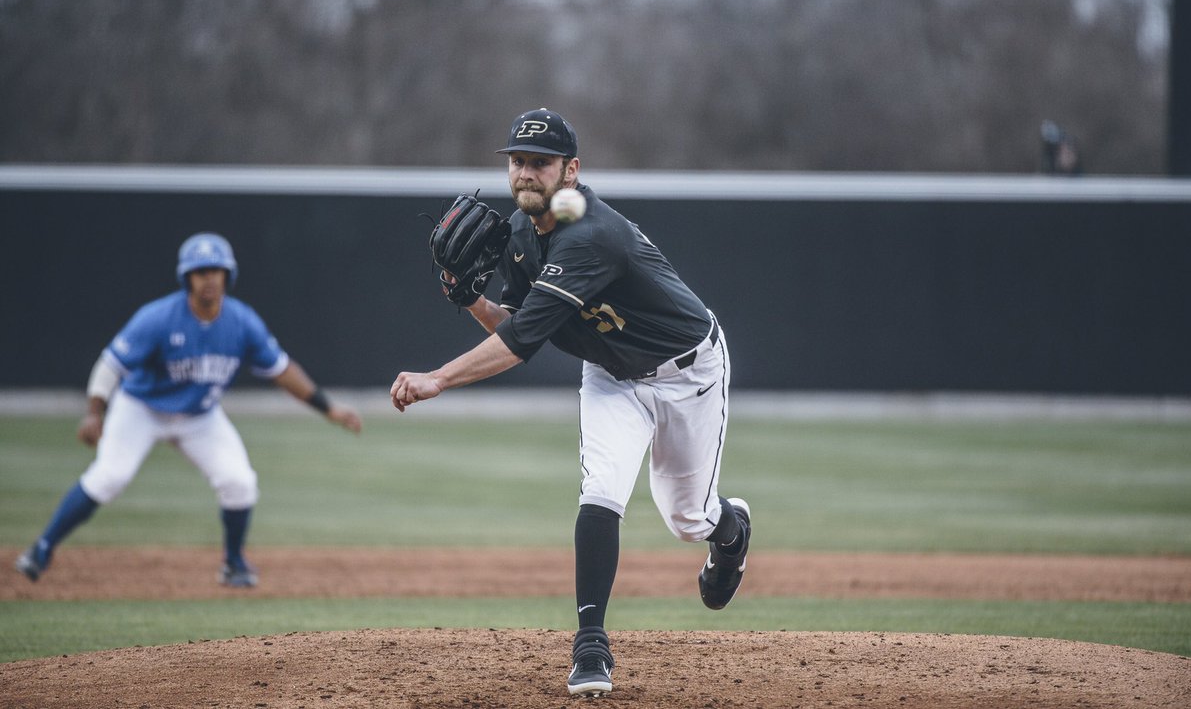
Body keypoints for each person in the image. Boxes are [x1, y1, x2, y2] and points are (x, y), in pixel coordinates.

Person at [390, 108, 751, 697]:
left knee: (688, 518)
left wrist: (437, 379)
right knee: (600, 491)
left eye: (540, 162)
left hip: (686, 372)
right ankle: (591, 645)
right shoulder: (519, 233)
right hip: (610, 373)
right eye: (517, 161)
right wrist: (472, 299)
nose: (525, 173)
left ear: (571, 171)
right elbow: (516, 320)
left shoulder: (589, 234)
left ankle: (730, 531)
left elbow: (521, 343)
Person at [14, 232, 362, 588]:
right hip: (141, 409)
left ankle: (234, 563)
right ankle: (42, 547)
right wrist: (94, 412)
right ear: (187, 278)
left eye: (216, 271)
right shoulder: (158, 318)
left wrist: (328, 408)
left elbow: (283, 370)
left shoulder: (242, 322)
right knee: (109, 477)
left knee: (239, 482)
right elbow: (110, 365)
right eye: (200, 272)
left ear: (228, 275)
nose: (209, 279)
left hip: (200, 416)